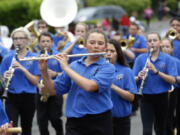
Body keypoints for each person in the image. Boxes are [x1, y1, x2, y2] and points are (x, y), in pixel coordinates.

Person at [38, 29, 115, 135]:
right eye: (92, 43)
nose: (96, 46)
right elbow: (52, 90)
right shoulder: (74, 65)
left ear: (105, 48)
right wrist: (43, 71)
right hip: (75, 123)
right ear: (85, 45)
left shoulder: (108, 67)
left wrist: (65, 67)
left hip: (100, 121)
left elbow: (90, 86)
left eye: (100, 43)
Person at [133, 32, 177, 135]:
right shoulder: (140, 59)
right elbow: (132, 79)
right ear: (146, 44)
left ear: (160, 43)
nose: (152, 43)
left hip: (162, 97)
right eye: (149, 41)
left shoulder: (168, 59)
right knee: (147, 131)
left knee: (160, 130)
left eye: (155, 40)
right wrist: (138, 76)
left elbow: (173, 80)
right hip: (145, 98)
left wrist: (157, 71)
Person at [0, 27, 40, 135]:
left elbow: (35, 82)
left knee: (27, 128)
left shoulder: (33, 57)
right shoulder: (7, 58)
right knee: (12, 128)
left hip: (29, 97)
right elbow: (1, 81)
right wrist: (4, 77)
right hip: (11, 96)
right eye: (15, 38)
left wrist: (22, 69)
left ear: (27, 40)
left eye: (21, 38)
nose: (18, 41)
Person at [105, 39, 137, 135]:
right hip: (102, 119)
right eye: (106, 51)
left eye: (112, 51)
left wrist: (113, 87)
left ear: (118, 53)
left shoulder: (126, 71)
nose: (108, 54)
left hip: (121, 119)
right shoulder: (97, 70)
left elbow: (131, 97)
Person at [36, 32, 64, 135]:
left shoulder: (58, 56)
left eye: (48, 41)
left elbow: (66, 73)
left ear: (52, 42)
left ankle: (60, 133)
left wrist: (55, 74)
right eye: (43, 41)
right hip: (41, 91)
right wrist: (38, 85)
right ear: (39, 43)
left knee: (55, 118)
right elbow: (34, 76)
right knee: (41, 121)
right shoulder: (35, 57)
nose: (45, 43)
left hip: (56, 90)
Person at [160, 38, 180, 135]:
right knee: (160, 117)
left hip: (173, 91)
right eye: (162, 47)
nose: (165, 49)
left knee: (170, 116)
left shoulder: (176, 61)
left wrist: (175, 77)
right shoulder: (156, 61)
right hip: (159, 91)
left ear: (172, 48)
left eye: (167, 47)